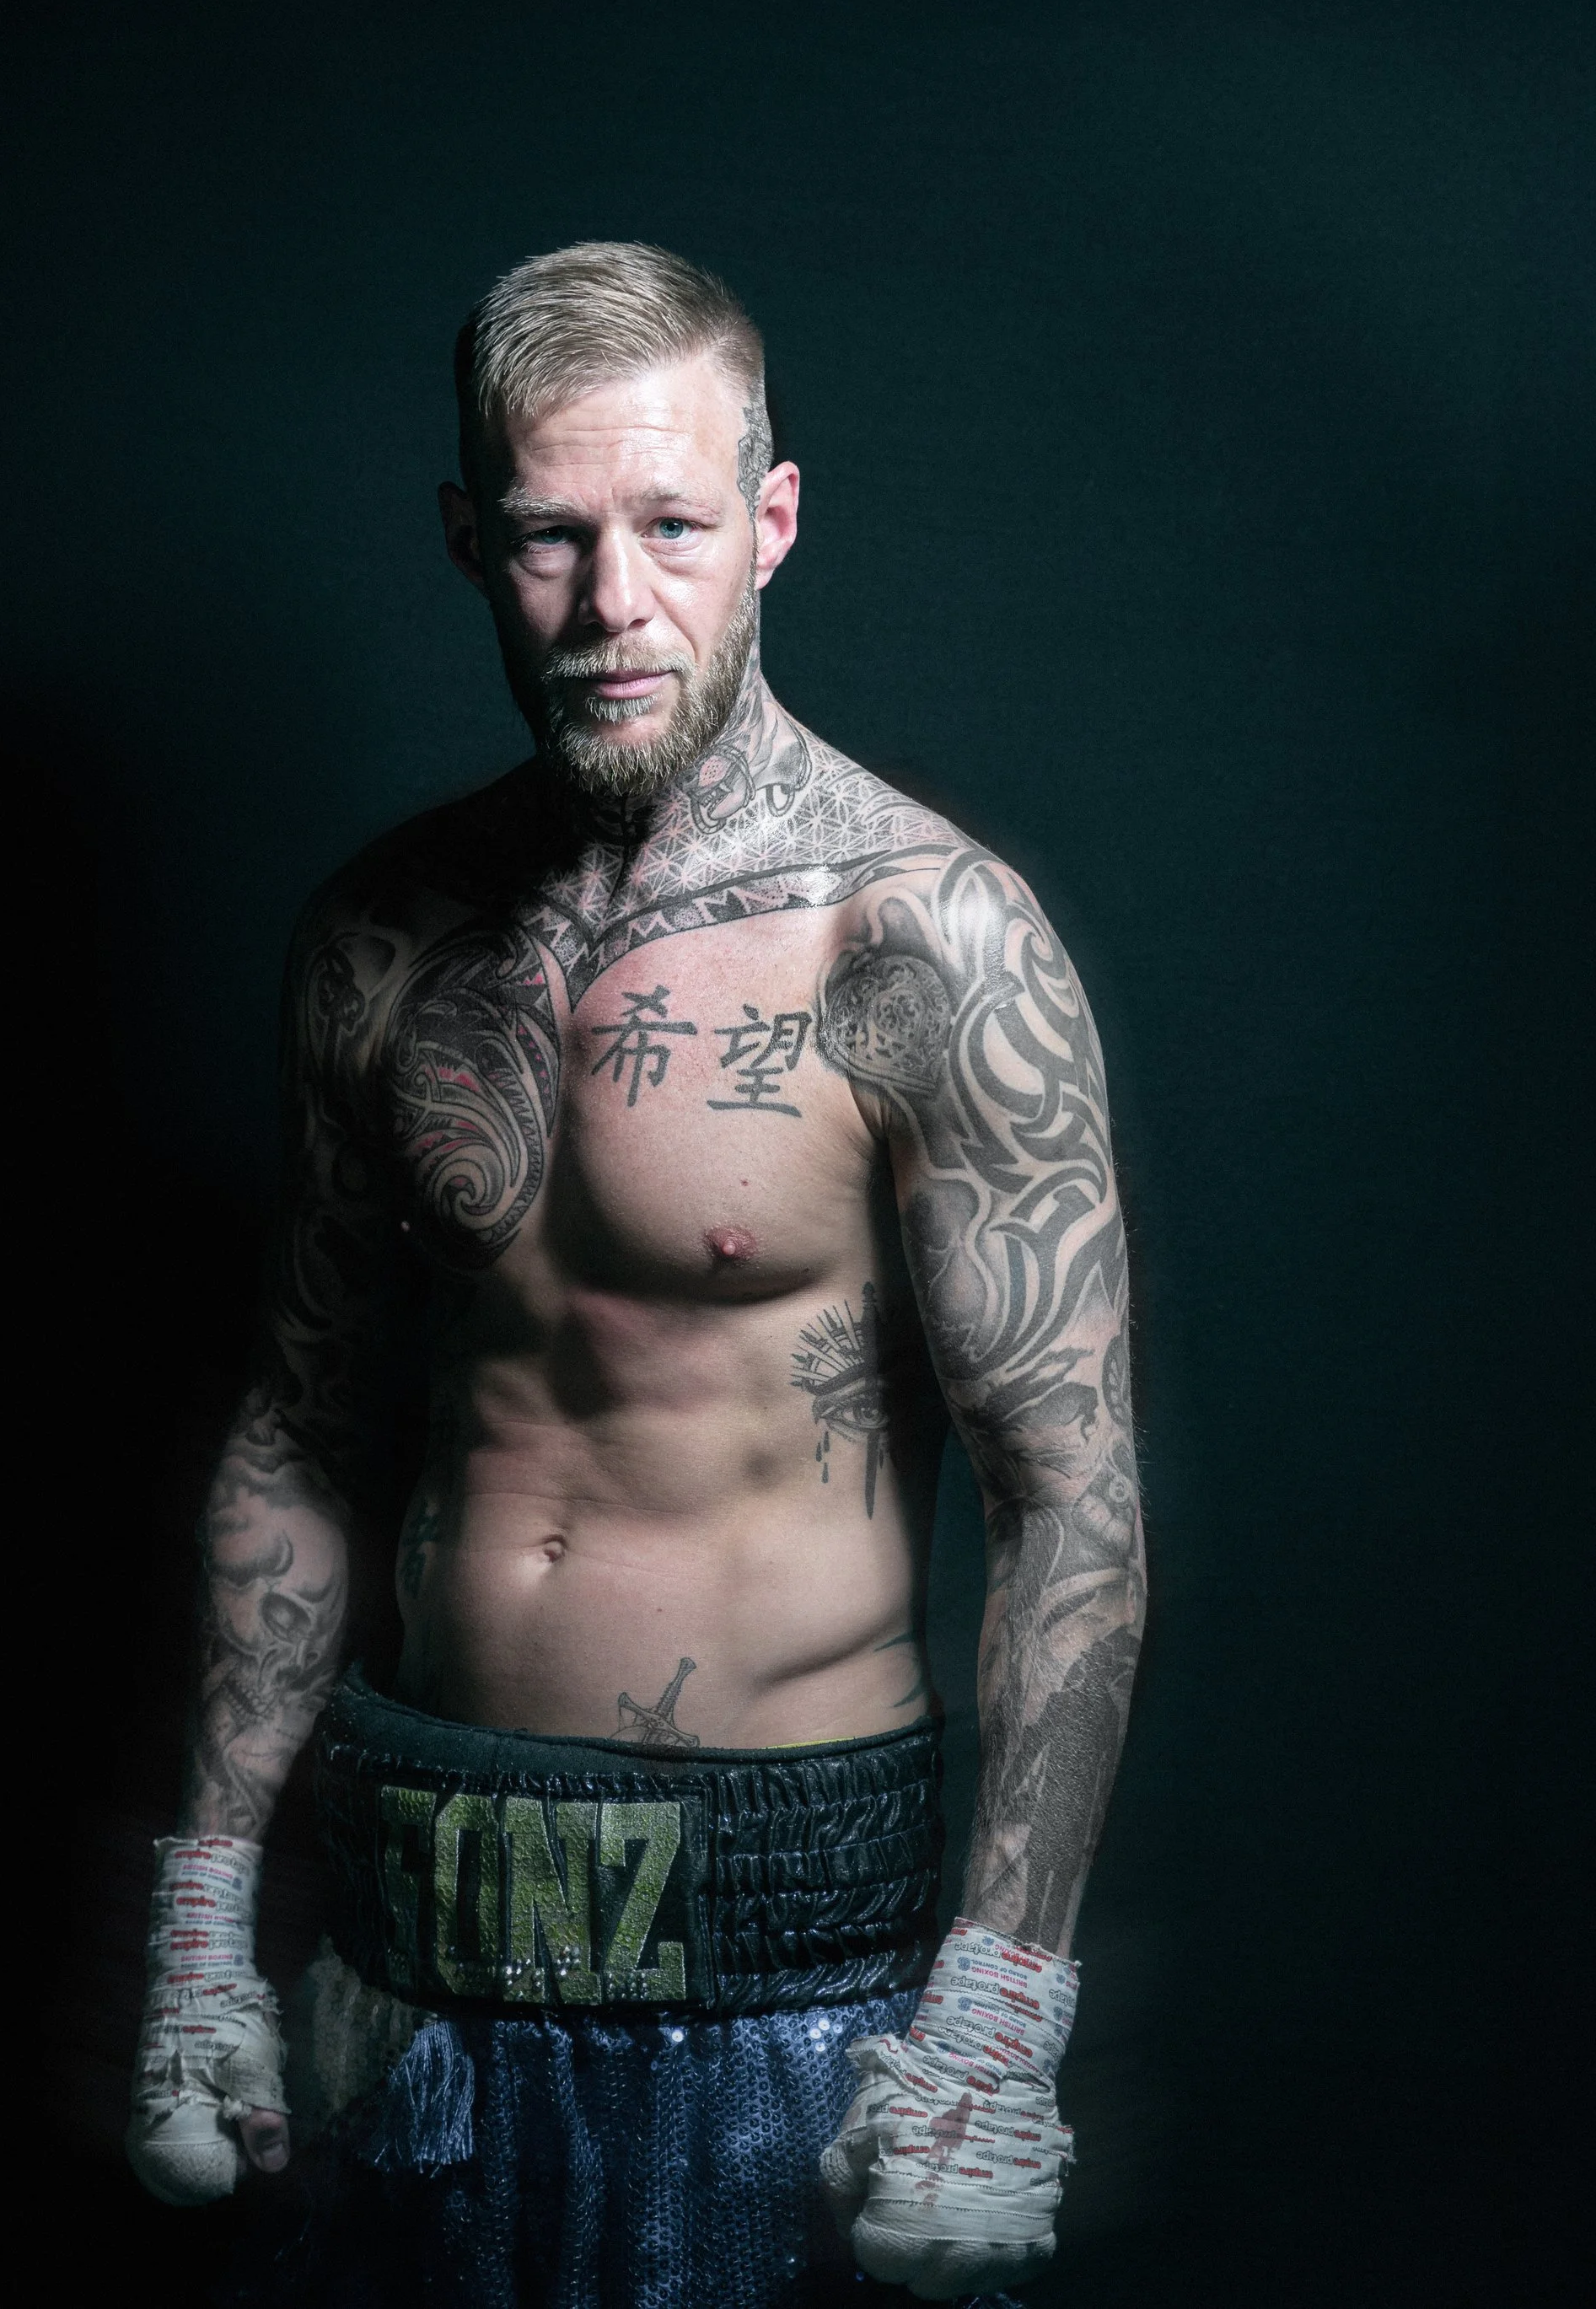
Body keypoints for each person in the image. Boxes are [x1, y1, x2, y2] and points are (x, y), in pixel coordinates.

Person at [126, 243, 1147, 2307]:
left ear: (770, 521)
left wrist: (996, 2008)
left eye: (671, 526)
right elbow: (303, 1421)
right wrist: (204, 1915)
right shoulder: (378, 936)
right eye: (548, 536)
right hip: (407, 1928)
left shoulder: (920, 939)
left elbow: (1070, 1502)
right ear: (466, 539)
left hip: (782, 1962)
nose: (612, 602)